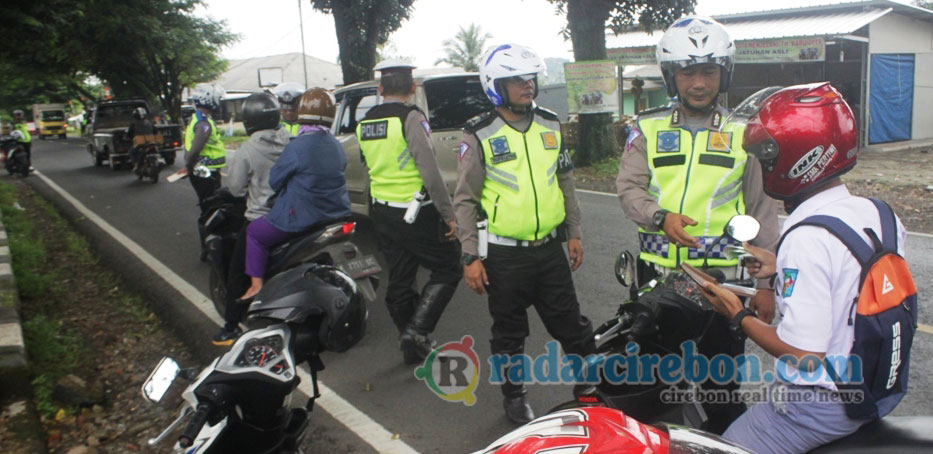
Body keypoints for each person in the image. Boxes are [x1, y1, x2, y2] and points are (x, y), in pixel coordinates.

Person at [701, 82, 913, 454]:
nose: (764, 164)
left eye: (768, 156)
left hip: (816, 407)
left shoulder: (807, 238)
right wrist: (778, 265)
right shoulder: (879, 213)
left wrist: (737, 317)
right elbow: (850, 280)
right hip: (875, 387)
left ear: (796, 158)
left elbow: (805, 357)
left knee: (724, 448)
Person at [615, 16, 779, 433]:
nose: (699, 83)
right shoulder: (646, 129)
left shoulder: (746, 134)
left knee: (719, 390)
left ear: (724, 73)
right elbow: (629, 187)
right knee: (651, 386)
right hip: (659, 287)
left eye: (709, 71)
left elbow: (763, 212)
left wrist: (765, 286)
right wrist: (659, 216)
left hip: (721, 288)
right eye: (688, 72)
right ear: (673, 77)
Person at [454, 43, 594, 425]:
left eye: (530, 78)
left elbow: (565, 182)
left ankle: (588, 389)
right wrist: (470, 256)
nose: (526, 86)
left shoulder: (550, 123)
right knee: (509, 333)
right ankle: (514, 397)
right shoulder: (480, 133)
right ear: (496, 85)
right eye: (516, 80)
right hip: (504, 256)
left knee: (572, 325)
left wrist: (574, 233)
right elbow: (464, 199)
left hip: (549, 251)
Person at [356, 59, 462, 365]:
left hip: (382, 210)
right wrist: (449, 215)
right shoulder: (412, 118)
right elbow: (430, 171)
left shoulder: (366, 123)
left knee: (401, 277)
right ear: (413, 88)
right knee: (448, 267)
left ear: (380, 89)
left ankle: (412, 346)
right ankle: (417, 331)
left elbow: (368, 163)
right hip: (416, 211)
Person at [238, 88, 351, 301]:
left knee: (254, 233)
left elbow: (275, 181)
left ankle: (256, 286)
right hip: (337, 213)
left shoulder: (297, 146)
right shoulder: (336, 145)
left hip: (301, 217)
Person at [212, 92, 291, 346]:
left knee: (237, 271)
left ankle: (231, 326)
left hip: (261, 217)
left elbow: (235, 189)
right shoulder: (290, 139)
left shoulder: (247, 150)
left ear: (249, 120)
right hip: (293, 215)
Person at [185, 83, 226, 261]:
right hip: (205, 173)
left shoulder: (199, 118)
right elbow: (194, 150)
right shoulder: (204, 124)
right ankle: (208, 249)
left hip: (204, 170)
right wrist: (189, 165)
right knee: (210, 209)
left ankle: (208, 247)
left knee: (208, 207)